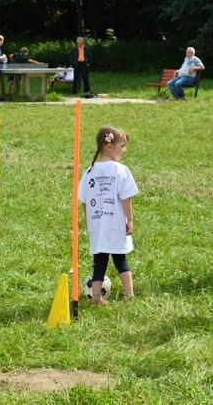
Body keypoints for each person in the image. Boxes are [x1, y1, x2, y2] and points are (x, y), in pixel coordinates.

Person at [78, 125, 138, 304]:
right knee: (121, 259)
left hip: (97, 224)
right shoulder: (120, 170)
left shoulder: (88, 173)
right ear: (109, 147)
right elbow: (126, 198)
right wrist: (130, 220)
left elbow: (84, 200)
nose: (125, 150)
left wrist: (88, 220)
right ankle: (129, 295)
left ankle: (96, 297)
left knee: (99, 260)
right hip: (116, 223)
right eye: (122, 146)